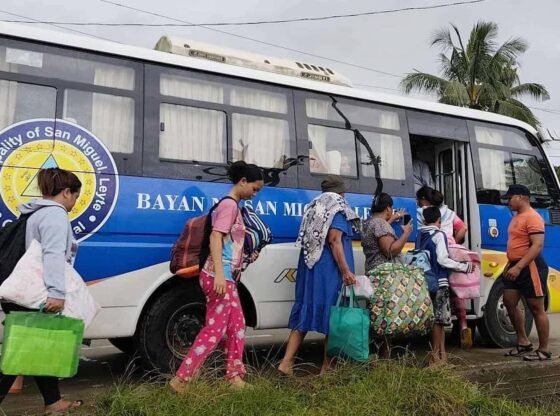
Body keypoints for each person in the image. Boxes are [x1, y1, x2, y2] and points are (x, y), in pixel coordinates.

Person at [170, 161, 264, 393]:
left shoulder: (232, 206)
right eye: (254, 188)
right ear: (243, 181)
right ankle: (181, 379)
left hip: (226, 277)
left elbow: (230, 243)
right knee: (215, 329)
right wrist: (220, 275)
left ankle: (234, 376)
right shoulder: (229, 205)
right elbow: (215, 238)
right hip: (218, 276)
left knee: (237, 325)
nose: (255, 194)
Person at [0, 167, 83, 414]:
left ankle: (53, 402)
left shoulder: (34, 212)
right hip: (36, 295)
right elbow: (52, 254)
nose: (74, 203)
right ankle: (52, 402)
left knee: (41, 347)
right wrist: (56, 293)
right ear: (66, 192)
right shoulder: (55, 215)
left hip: (21, 291)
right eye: (76, 196)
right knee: (21, 354)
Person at [278, 176, 359, 375]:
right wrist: (345, 270)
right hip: (329, 271)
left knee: (304, 313)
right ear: (341, 193)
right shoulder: (337, 208)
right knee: (334, 315)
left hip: (310, 269)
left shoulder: (315, 208)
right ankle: (327, 369)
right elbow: (334, 240)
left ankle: (286, 363)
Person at [416, 187, 475, 348]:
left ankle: (436, 349)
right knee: (457, 292)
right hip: (450, 253)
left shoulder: (422, 213)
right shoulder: (449, 213)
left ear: (424, 199)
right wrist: (454, 242)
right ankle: (463, 325)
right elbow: (463, 228)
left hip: (432, 258)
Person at [502, 185, 552, 361]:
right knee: (509, 301)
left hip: (530, 266)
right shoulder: (517, 217)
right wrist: (511, 265)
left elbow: (537, 246)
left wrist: (519, 267)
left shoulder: (533, 217)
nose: (508, 202)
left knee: (537, 308)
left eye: (510, 198)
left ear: (522, 197)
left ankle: (544, 350)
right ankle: (523, 342)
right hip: (514, 265)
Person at [362, 193, 413, 272]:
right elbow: (390, 252)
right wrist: (406, 234)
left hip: (373, 270)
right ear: (388, 209)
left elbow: (380, 232)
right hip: (384, 274)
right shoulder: (380, 223)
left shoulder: (370, 223)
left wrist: (391, 219)